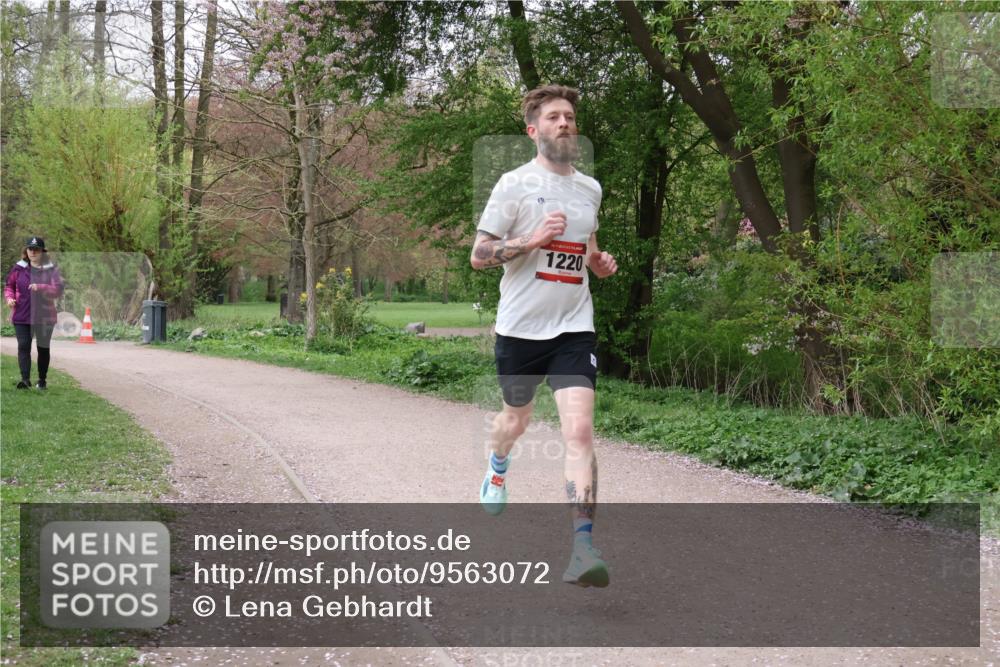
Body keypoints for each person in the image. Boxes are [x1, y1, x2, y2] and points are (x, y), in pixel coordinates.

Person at [470, 85, 618, 588]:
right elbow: (479, 255)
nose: (565, 124)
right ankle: (497, 464)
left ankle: (583, 547)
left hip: (574, 327)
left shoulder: (590, 189)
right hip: (520, 329)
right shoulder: (512, 184)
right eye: (554, 117)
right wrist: (532, 240)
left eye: (570, 117)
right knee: (515, 420)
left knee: (578, 432)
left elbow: (589, 247)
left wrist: (597, 262)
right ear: (533, 130)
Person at [5, 236, 64, 390]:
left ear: (42, 252)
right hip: (21, 315)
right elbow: (9, 286)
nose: (32, 252)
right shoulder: (18, 268)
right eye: (30, 249)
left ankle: (42, 380)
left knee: (43, 348)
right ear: (26, 250)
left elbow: (58, 290)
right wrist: (9, 298)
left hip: (45, 316)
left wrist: (41, 287)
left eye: (36, 249)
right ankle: (25, 380)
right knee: (23, 346)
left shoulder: (51, 269)